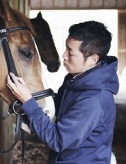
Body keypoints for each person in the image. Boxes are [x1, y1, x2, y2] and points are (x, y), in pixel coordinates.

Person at [7, 21, 119, 164]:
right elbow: (56, 110)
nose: (64, 56)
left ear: (93, 59)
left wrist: (29, 103)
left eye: (71, 53)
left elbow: (58, 140)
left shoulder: (93, 101)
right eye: (66, 48)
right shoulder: (76, 79)